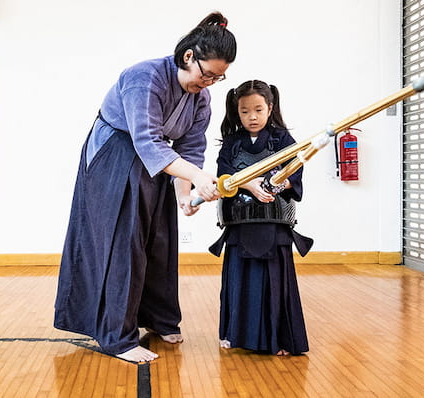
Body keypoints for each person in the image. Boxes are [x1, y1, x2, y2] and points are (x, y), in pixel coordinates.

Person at [54, 12, 237, 363]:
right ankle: (117, 338)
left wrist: (187, 194)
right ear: (188, 57)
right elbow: (148, 141)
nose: (211, 82)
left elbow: (192, 148)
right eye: (207, 73)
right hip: (115, 155)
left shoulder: (201, 99)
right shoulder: (145, 77)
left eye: (219, 76)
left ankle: (159, 319)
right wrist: (196, 177)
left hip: (159, 159)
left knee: (160, 240)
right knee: (125, 244)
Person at [209, 80, 314, 356]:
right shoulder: (231, 143)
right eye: (244, 111)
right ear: (237, 111)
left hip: (273, 222)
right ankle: (234, 333)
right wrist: (249, 183)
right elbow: (224, 177)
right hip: (240, 222)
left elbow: (295, 176)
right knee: (239, 280)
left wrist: (277, 184)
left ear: (270, 107)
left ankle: (279, 338)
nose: (252, 117)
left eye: (258, 109)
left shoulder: (283, 140)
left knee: (274, 282)